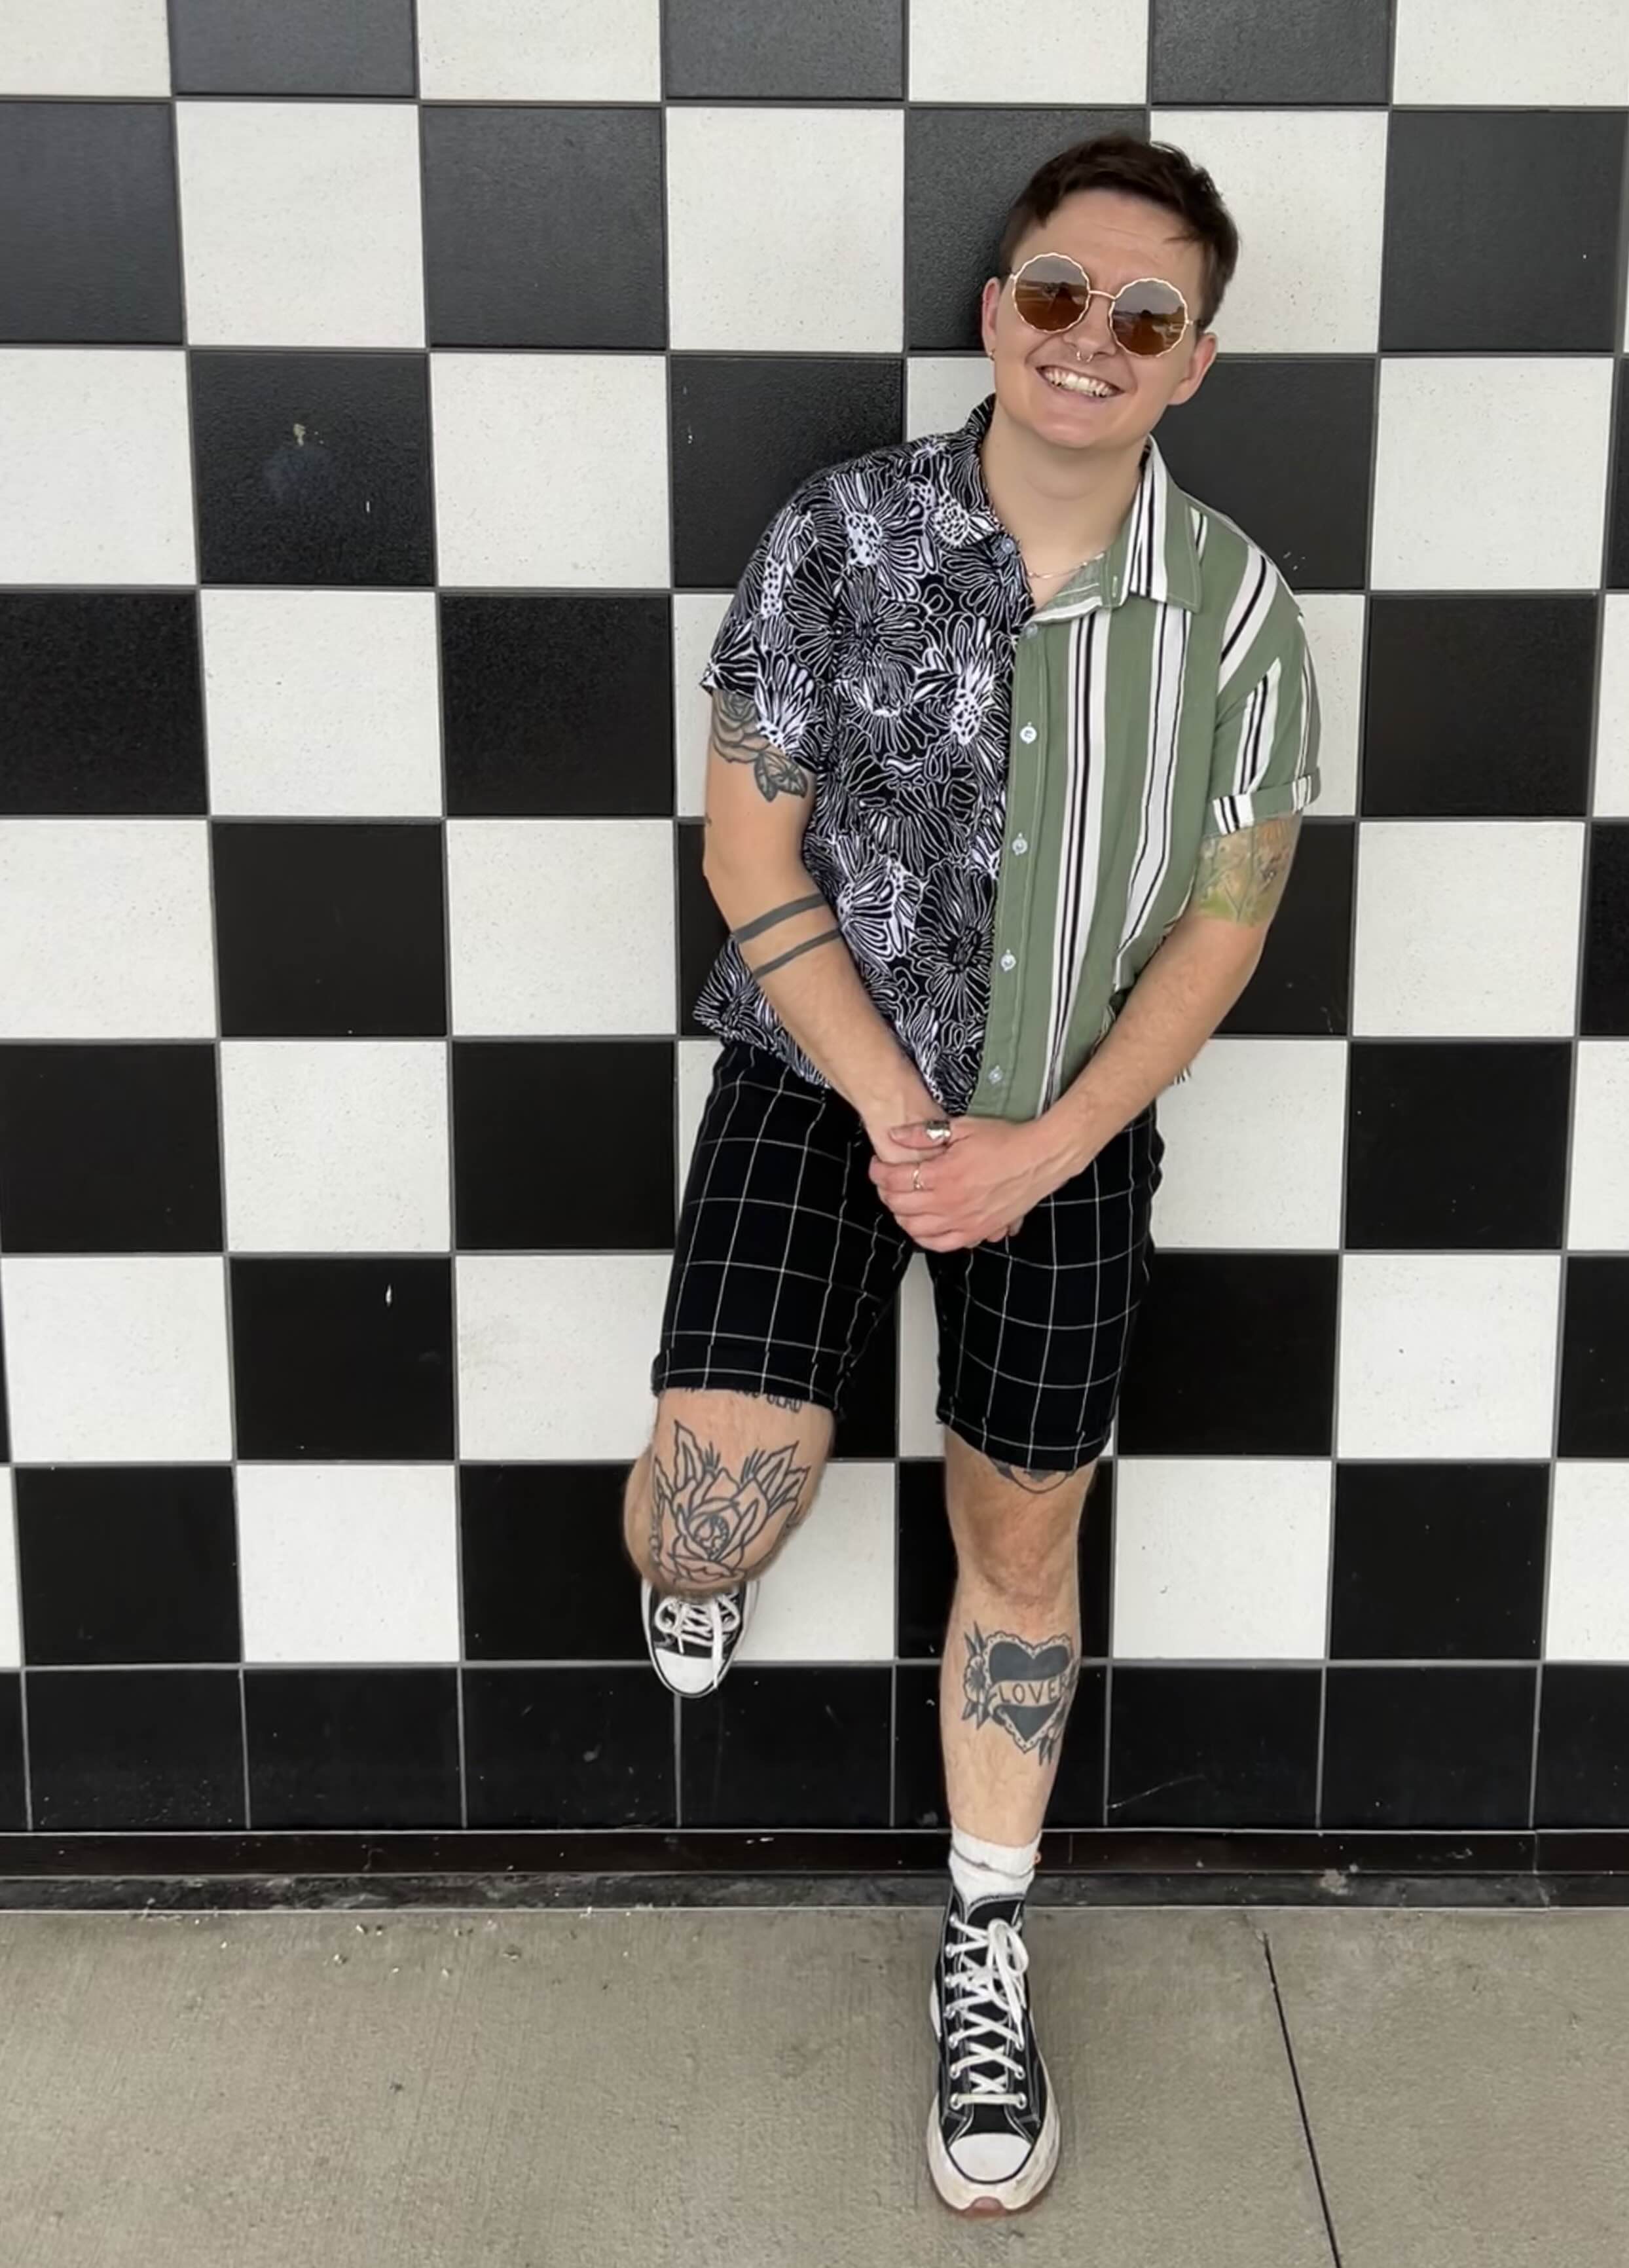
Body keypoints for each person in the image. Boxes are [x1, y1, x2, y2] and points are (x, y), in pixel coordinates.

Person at [621, 129, 1321, 2217]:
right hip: (814, 1083)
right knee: (706, 1513)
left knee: (1020, 1544)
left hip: (1071, 1128)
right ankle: (699, 1564)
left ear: (1195, 359)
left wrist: (1046, 1144)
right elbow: (751, 849)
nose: (1088, 342)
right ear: (994, 309)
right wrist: (907, 1127)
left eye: (1144, 316)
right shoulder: (838, 539)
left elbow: (1224, 920)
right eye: (1055, 296)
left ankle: (987, 1937)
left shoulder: (1236, 615)